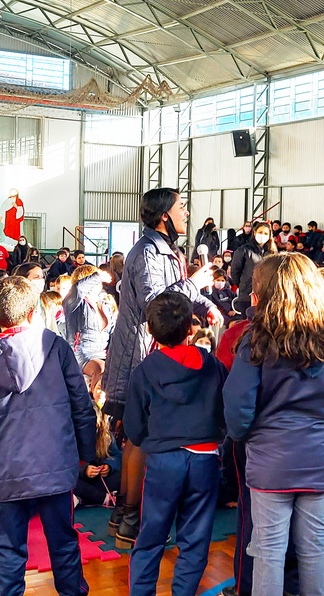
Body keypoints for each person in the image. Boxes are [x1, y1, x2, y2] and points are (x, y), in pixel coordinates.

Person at [223, 253, 324, 596]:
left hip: (271, 458)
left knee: (269, 549)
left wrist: (246, 436)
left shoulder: (257, 338)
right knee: (314, 545)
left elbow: (238, 403)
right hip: (321, 454)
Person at [0, 275, 95, 596]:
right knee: (63, 542)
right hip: (56, 461)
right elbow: (82, 405)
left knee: (8, 549)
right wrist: (84, 455)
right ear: (33, 312)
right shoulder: (56, 346)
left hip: (4, 468)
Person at [103, 188, 221, 548]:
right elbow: (158, 304)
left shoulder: (166, 250)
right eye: (181, 207)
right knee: (140, 437)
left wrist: (204, 304)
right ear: (163, 215)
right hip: (139, 353)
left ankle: (123, 515)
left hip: (146, 350)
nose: (186, 212)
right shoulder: (147, 252)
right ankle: (132, 520)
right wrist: (194, 284)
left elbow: (175, 296)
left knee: (134, 437)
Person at [124, 291, 227, 596]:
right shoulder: (212, 365)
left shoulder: (145, 370)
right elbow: (228, 407)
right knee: (195, 539)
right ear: (190, 327)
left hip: (163, 460)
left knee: (150, 536)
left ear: (150, 329)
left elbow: (133, 426)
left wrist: (153, 440)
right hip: (205, 458)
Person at [63, 264, 115, 390]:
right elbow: (78, 289)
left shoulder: (105, 305)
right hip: (82, 353)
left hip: (105, 353)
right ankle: (99, 400)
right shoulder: (74, 303)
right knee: (102, 369)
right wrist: (97, 276)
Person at [229, 222, 275, 313]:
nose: (262, 235)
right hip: (247, 296)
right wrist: (244, 285)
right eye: (260, 232)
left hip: (266, 296)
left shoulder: (272, 253)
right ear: (254, 232)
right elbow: (235, 272)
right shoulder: (243, 250)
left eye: (266, 233)